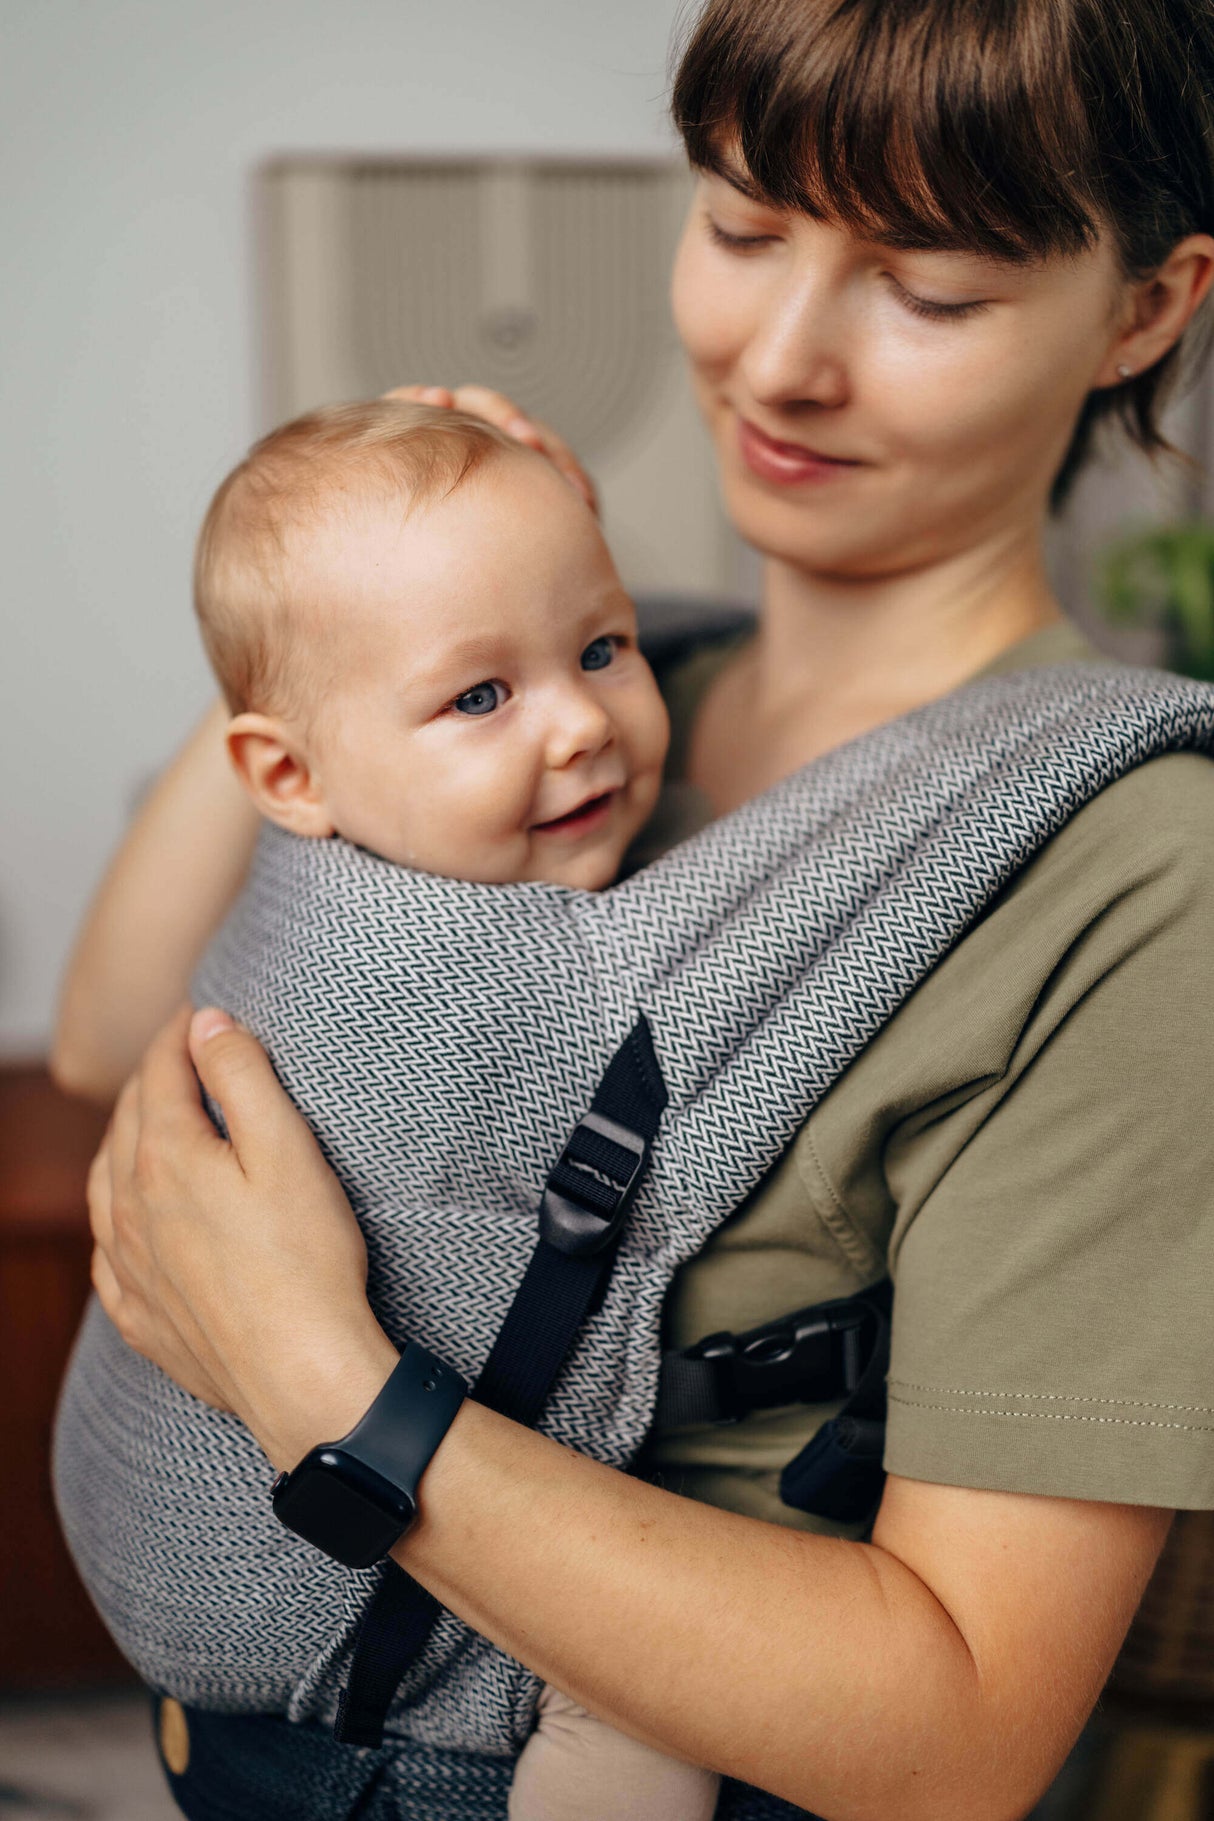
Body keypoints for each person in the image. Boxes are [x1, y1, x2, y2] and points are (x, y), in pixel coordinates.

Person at [58, 0, 1214, 1815]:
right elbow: (118, 1037)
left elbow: (961, 1736)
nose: (778, 360)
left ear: (1142, 308)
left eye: (925, 289)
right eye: (743, 226)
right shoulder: (611, 683)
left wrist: (308, 1370)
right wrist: (345, 618)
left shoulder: (1134, 867)